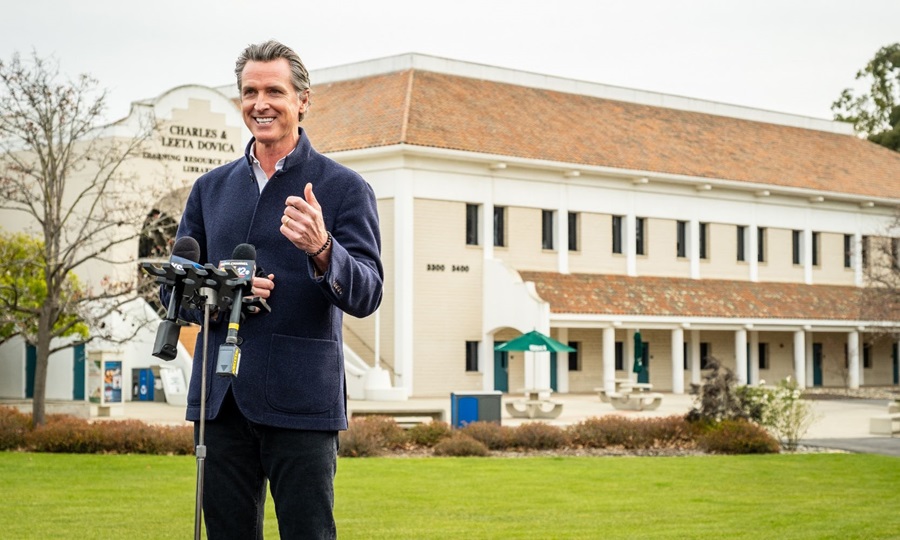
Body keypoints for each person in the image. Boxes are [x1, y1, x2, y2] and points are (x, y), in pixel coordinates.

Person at [171, 40, 383, 539]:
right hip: (220, 402)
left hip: (302, 402)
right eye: (249, 91)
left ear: (302, 100)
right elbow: (175, 294)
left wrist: (323, 247)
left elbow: (367, 292)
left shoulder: (344, 187)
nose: (259, 103)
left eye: (273, 91)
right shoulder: (210, 189)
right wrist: (227, 289)